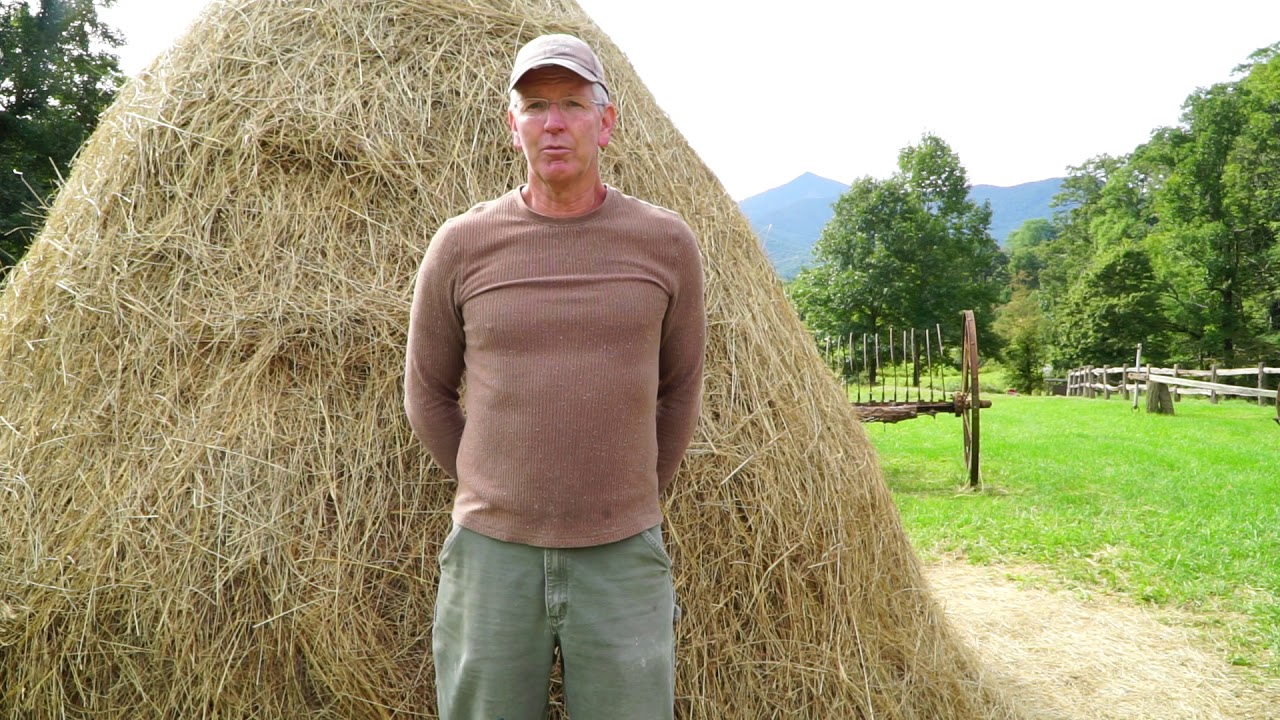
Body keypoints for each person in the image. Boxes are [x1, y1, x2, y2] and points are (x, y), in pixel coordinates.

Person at [403, 33, 706, 720]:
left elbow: (680, 388)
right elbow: (426, 393)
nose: (554, 122)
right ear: (514, 126)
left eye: (572, 103)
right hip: (491, 560)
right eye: (535, 106)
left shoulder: (665, 243)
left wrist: (627, 494)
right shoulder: (462, 244)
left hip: (622, 558)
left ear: (607, 121)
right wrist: (495, 487)